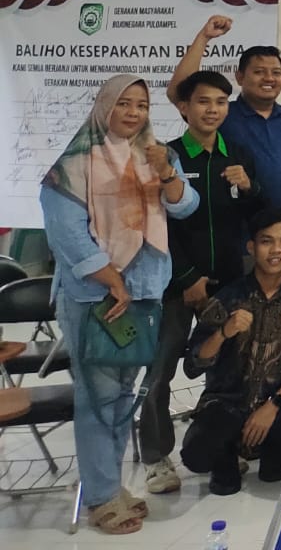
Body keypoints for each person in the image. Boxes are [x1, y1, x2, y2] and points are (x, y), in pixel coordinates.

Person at [38, 75, 197, 535]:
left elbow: (185, 206)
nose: (133, 112)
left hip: (143, 291)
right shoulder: (73, 164)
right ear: (105, 105)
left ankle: (109, 486)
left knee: (124, 397)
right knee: (98, 398)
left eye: (141, 105)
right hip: (96, 296)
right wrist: (111, 280)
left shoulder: (154, 155)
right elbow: (66, 232)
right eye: (123, 103)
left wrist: (167, 172)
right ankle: (102, 496)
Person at [140, 70, 263, 495]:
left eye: (221, 102)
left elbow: (255, 216)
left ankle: (219, 444)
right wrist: (187, 277)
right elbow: (158, 223)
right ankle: (156, 457)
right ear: (184, 107)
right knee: (160, 371)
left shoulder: (238, 154)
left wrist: (250, 187)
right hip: (176, 284)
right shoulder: (169, 156)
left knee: (226, 369)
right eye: (204, 101)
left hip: (229, 282)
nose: (213, 110)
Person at [180, 210, 281, 495]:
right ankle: (227, 455)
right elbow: (192, 365)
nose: (276, 250)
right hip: (226, 403)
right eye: (266, 241)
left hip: (276, 403)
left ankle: (269, 445)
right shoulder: (228, 297)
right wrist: (223, 332)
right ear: (251, 246)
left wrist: (274, 405)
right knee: (197, 455)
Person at [170, 17, 281, 218]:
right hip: (240, 225)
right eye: (259, 72)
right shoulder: (223, 113)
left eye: (276, 72)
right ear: (240, 77)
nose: (269, 78)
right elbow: (180, 92)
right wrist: (204, 38)